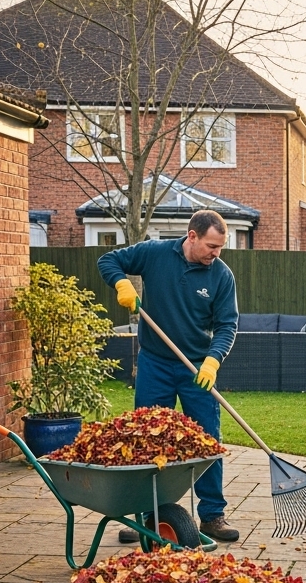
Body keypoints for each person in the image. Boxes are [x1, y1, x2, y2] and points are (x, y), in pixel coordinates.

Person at [98, 209, 240, 543]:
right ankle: (147, 517)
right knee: (147, 437)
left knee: (206, 439)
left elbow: (227, 325)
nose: (216, 254)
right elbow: (108, 260)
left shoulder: (221, 275)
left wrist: (212, 361)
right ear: (192, 236)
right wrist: (121, 283)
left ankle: (212, 516)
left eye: (220, 247)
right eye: (211, 246)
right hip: (155, 363)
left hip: (196, 368)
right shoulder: (154, 253)